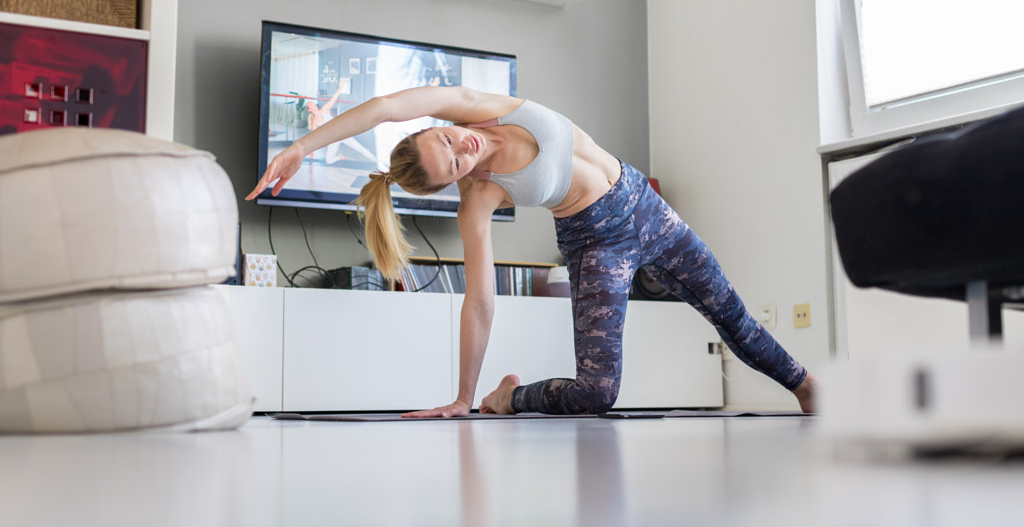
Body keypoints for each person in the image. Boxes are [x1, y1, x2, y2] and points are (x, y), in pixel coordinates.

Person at [247, 86, 817, 417]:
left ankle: (807, 388)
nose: (462, 149)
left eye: (447, 140)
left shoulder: (477, 106)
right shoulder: (479, 196)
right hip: (597, 243)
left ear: (440, 126)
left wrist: (302, 144)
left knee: (729, 311)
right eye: (455, 164)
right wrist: (464, 398)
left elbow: (388, 106)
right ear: (455, 182)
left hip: (644, 202)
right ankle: (507, 400)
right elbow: (479, 302)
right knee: (598, 393)